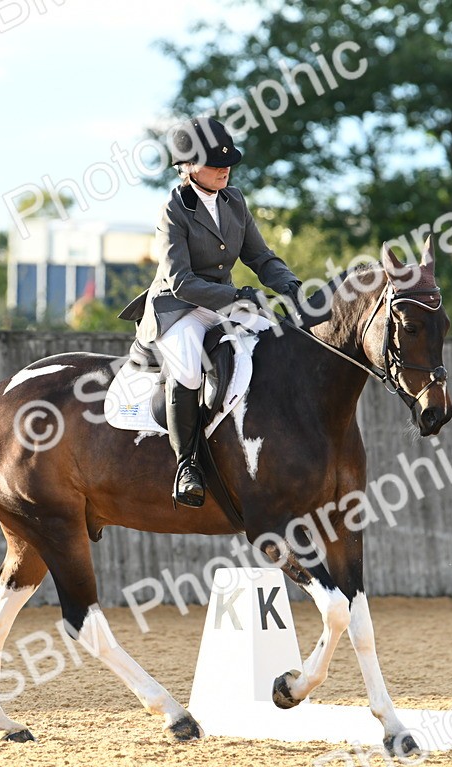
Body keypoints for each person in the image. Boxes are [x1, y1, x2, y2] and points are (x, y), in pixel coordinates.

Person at [119, 117, 303, 508]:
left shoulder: (234, 201)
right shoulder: (173, 210)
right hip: (178, 308)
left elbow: (260, 256)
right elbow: (181, 281)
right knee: (187, 367)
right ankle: (187, 466)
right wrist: (238, 297)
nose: (225, 168)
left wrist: (290, 284)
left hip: (222, 304)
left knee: (281, 334)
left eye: (228, 162)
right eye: (214, 163)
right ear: (187, 166)